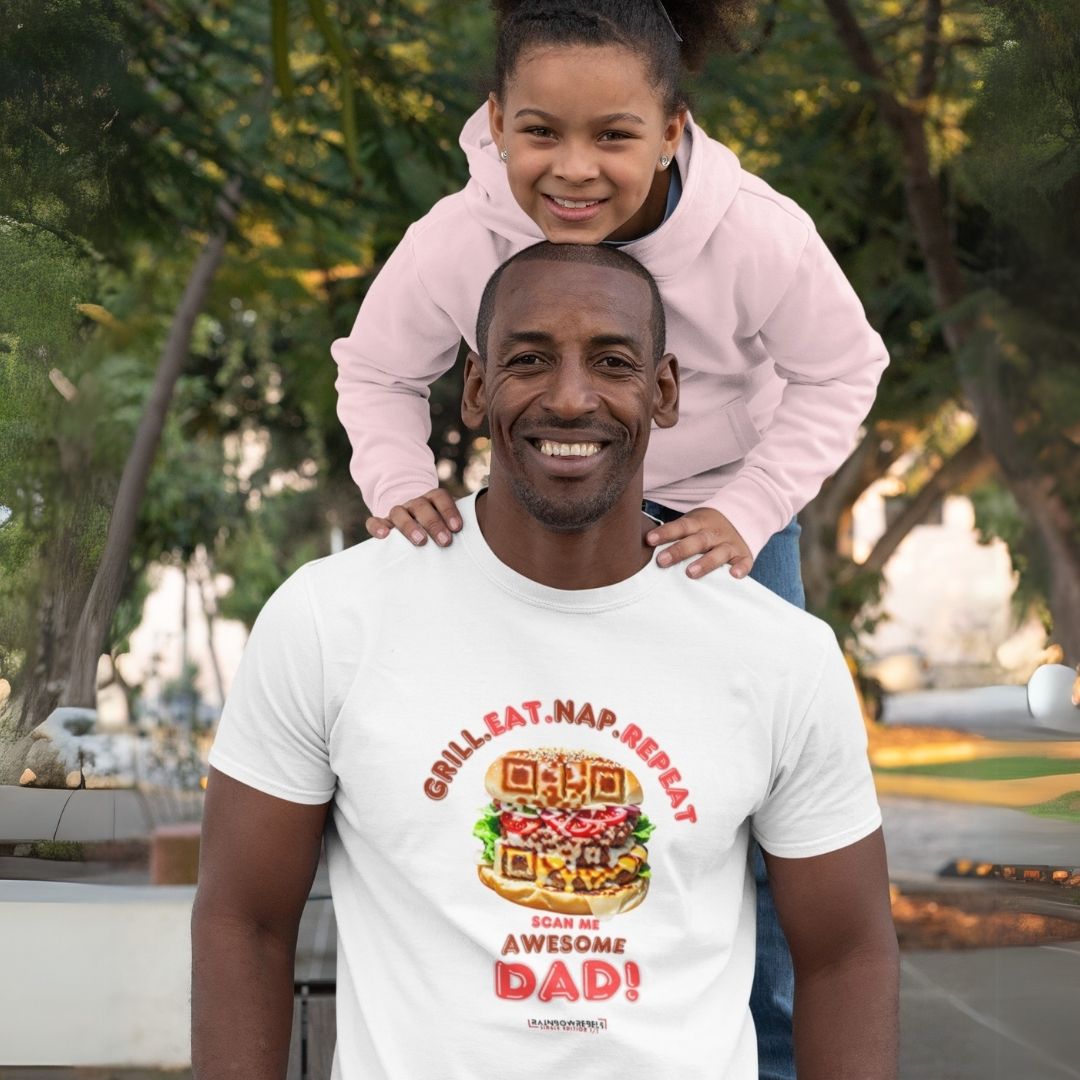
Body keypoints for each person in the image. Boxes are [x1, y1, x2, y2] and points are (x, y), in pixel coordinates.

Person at [330, 3, 889, 1073]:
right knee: (547, 758)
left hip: (718, 518)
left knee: (764, 802)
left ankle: (762, 1051)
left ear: (672, 129)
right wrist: (400, 481)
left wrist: (753, 506)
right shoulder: (458, 238)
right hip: (547, 511)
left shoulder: (754, 232)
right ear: (496, 124)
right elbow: (378, 367)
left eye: (614, 137)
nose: (573, 169)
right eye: (541, 133)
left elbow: (842, 365)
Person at [193, 242, 898, 1080]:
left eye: (612, 361)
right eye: (529, 359)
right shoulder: (332, 618)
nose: (571, 397)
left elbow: (846, 956)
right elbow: (244, 922)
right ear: (477, 389)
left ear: (663, 391)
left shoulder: (779, 652)